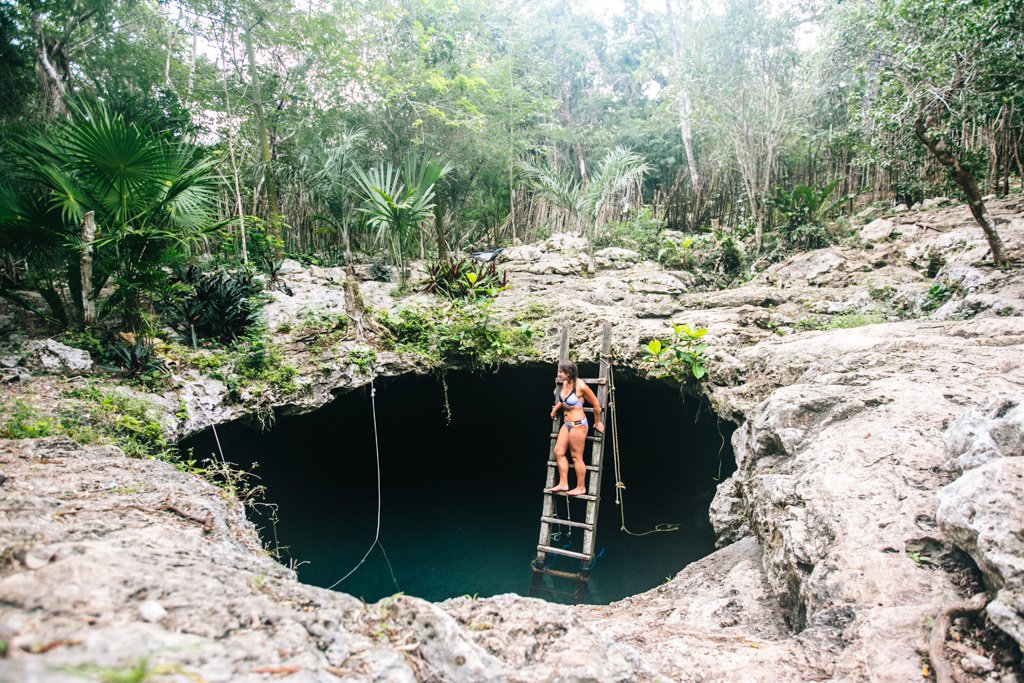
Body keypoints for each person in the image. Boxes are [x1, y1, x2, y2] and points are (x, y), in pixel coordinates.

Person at [546, 360, 604, 496]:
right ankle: (563, 483)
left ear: (569, 373)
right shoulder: (566, 383)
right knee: (558, 451)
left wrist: (597, 422)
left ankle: (581, 487)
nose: (559, 374)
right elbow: (563, 400)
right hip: (566, 424)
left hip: (578, 425)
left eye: (561, 372)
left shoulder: (581, 386)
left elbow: (596, 405)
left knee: (576, 457)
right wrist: (555, 410)